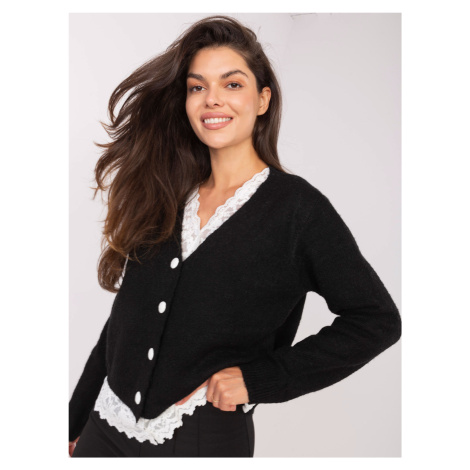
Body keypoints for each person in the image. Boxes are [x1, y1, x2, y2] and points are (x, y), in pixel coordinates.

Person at [69, 15, 401, 458]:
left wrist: (258, 379)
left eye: (232, 84)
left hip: (201, 438)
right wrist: (74, 419)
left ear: (262, 99)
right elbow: (126, 320)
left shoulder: (298, 210)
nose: (212, 99)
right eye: (197, 87)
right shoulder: (166, 191)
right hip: (105, 429)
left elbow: (376, 320)